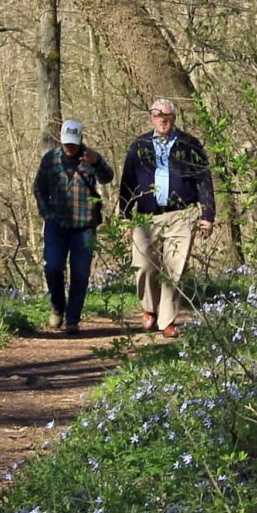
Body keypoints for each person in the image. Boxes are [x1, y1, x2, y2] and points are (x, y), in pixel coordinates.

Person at [118, 98, 215, 338]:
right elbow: (127, 183)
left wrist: (207, 214)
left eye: (167, 116)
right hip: (146, 215)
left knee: (174, 268)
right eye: (158, 116)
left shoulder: (189, 145)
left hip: (182, 214)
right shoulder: (139, 146)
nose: (163, 120)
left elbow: (204, 179)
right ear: (151, 118)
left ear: (174, 118)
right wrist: (124, 215)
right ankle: (149, 307)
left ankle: (167, 321)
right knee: (144, 265)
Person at [33, 119, 114, 334]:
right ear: (61, 139)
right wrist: (46, 212)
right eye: (67, 143)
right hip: (56, 224)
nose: (70, 147)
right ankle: (58, 306)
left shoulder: (90, 157)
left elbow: (108, 177)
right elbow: (38, 188)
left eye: (74, 143)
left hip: (85, 225)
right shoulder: (50, 159)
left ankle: (72, 319)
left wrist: (96, 163)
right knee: (53, 267)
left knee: (80, 273)